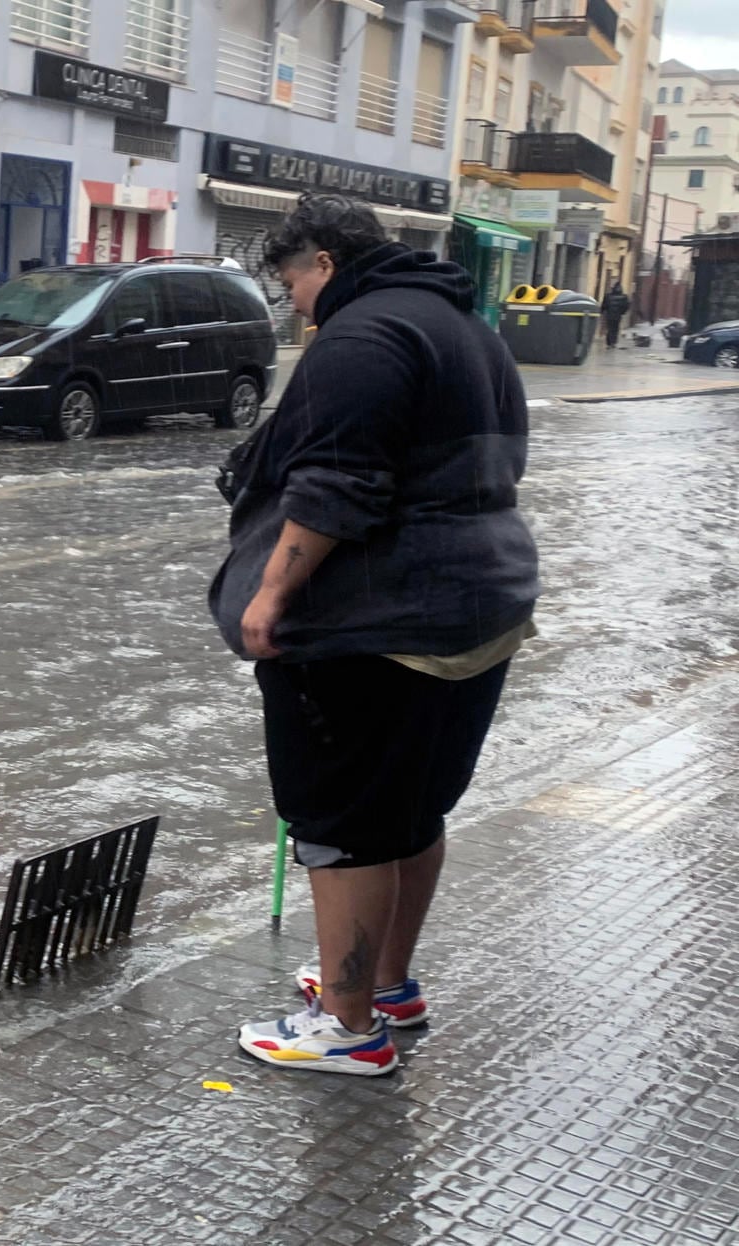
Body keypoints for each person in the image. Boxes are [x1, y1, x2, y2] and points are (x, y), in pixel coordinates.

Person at [209, 194, 539, 1076]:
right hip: (479, 606)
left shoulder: (360, 338)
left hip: (374, 621)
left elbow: (336, 488)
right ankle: (388, 985)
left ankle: (350, 1030)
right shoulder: (469, 331)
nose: (297, 304)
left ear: (322, 262)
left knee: (342, 820)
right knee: (411, 807)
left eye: (293, 283)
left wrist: (269, 598)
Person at [602, 280, 632, 349]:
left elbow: (604, 305)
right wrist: (622, 312)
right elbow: (626, 306)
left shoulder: (608, 296)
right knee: (615, 328)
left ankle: (609, 342)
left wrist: (603, 311)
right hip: (618, 316)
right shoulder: (624, 297)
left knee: (609, 328)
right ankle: (613, 342)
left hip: (609, 315)